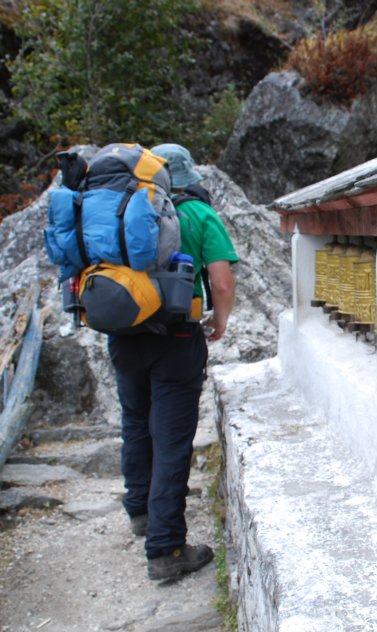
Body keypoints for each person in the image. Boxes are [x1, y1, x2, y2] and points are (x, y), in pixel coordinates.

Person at [108, 143, 238, 581]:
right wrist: (219, 321)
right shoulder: (198, 213)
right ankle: (166, 549)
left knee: (135, 422)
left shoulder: (126, 206)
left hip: (125, 334)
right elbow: (221, 281)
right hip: (178, 336)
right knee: (171, 438)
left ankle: (140, 512)